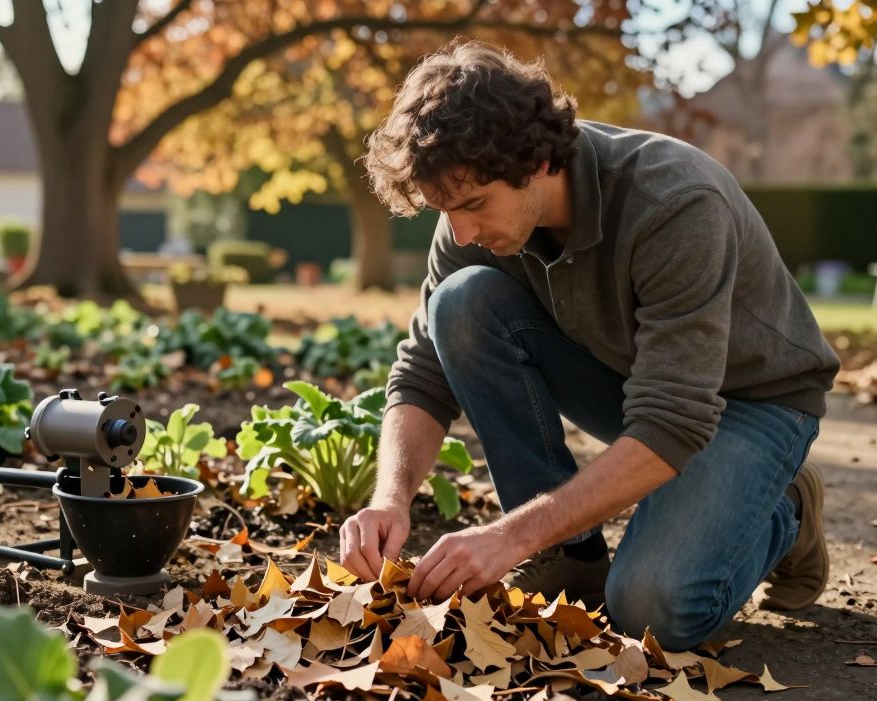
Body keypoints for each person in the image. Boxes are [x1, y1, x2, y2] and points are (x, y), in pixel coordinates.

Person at [337, 39, 841, 651]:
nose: (461, 231)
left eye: (474, 205)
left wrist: (510, 536)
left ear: (540, 162)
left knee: (650, 609)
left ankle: (784, 503)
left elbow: (672, 421)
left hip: (754, 402)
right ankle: (569, 560)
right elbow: (422, 373)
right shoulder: (469, 214)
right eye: (447, 210)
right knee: (460, 303)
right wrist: (389, 501)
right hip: (635, 382)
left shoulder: (676, 203)